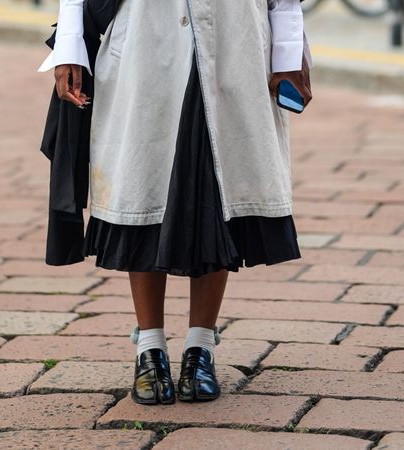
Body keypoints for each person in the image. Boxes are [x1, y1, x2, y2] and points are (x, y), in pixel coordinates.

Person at [38, 0, 313, 405]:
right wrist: (69, 45)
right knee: (142, 193)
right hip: (142, 45)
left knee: (219, 199)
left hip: (234, 43)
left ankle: (201, 347)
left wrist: (288, 54)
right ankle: (149, 348)